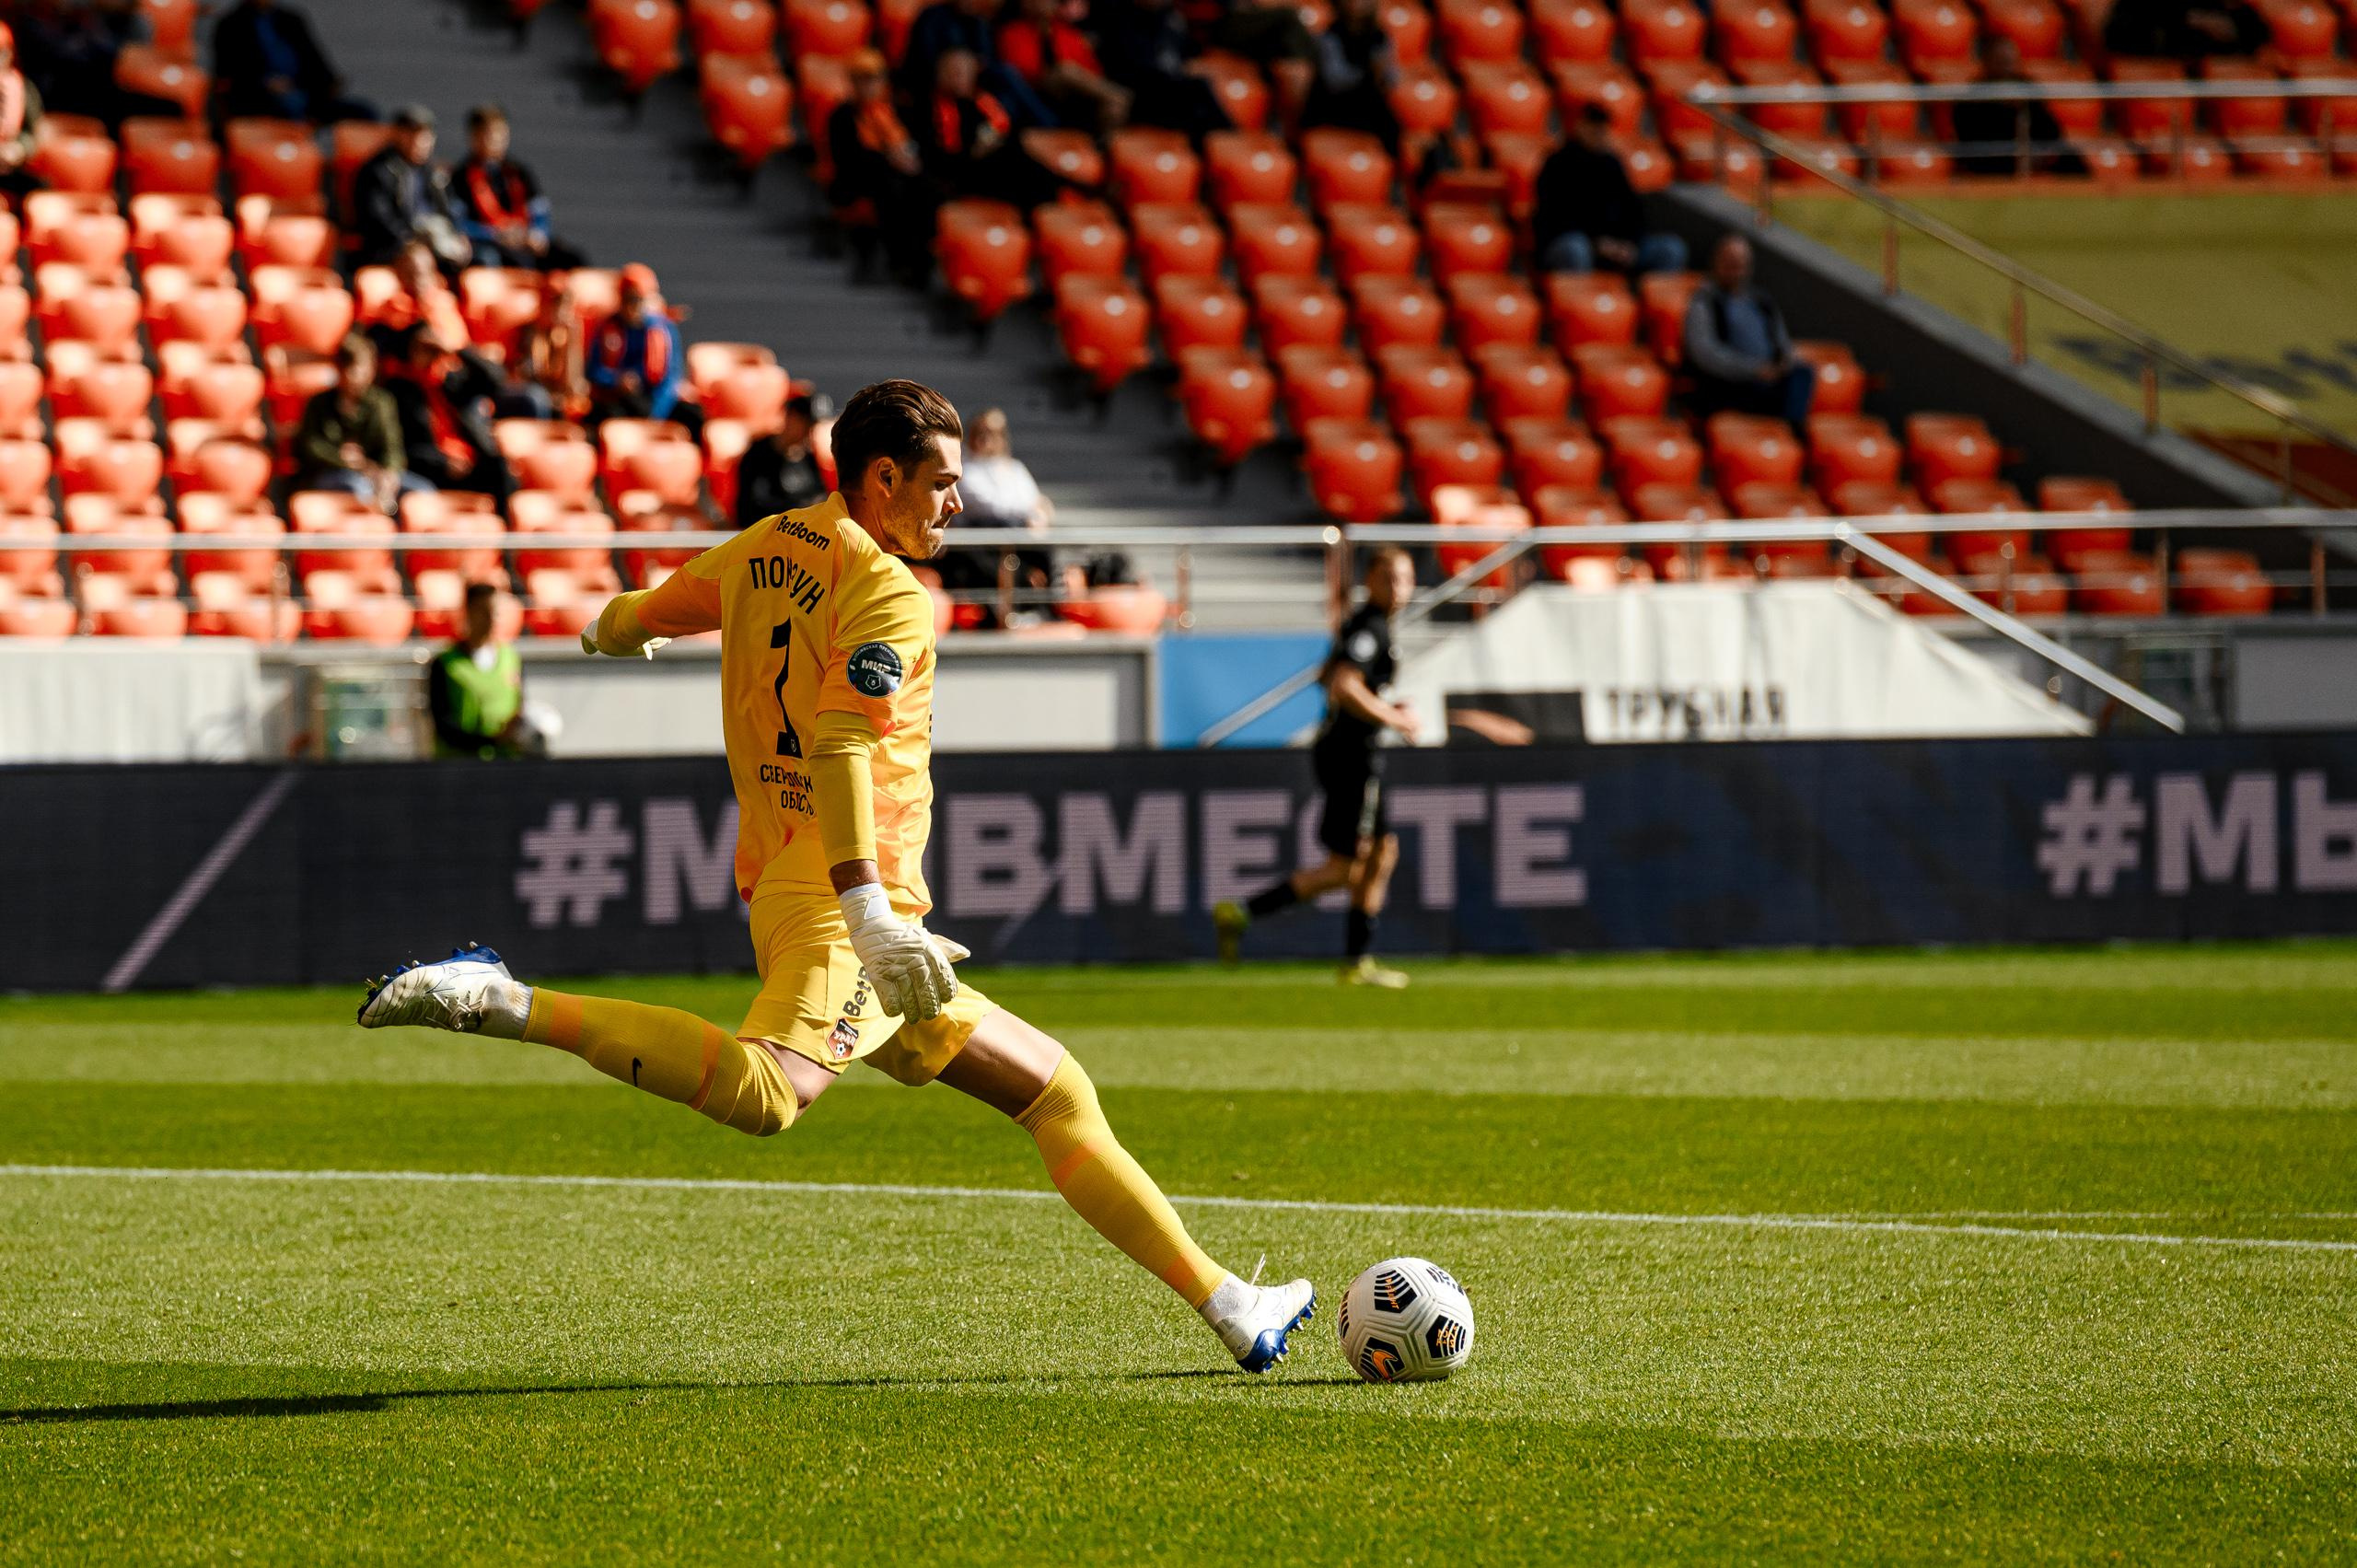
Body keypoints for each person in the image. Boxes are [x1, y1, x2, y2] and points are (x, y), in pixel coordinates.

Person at [357, 378, 1318, 1376]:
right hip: (847, 906)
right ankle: (503, 999)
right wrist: (869, 912)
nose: (958, 503)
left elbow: (645, 609)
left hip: (788, 885)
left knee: (1055, 1090)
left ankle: (1228, 1301)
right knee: (769, 1091)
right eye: (941, 483)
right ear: (884, 476)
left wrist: (612, 629)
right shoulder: (888, 591)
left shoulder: (765, 544)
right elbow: (841, 743)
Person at [1213, 547, 1419, 989]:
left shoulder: (1371, 627)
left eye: (1404, 579)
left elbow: (1331, 676)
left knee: (1379, 854)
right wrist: (1394, 717)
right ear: (1370, 581)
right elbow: (1344, 685)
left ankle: (1352, 957)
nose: (1398, 588)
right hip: (1351, 756)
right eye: (1389, 578)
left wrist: (1381, 706)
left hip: (1352, 752)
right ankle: (1256, 917)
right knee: (1355, 863)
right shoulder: (1371, 627)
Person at [1533, 103, 1689, 275]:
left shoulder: (1612, 164)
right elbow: (1555, 216)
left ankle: (1654, 300)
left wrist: (1629, 243)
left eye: (1602, 129)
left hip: (1617, 245)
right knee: (1575, 248)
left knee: (1670, 248)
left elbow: (1633, 210)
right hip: (1575, 243)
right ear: (1579, 126)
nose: (1598, 134)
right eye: (1593, 127)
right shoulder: (1558, 163)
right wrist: (1597, 243)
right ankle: (1583, 300)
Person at [1682, 233, 1814, 430]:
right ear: (1716, 263)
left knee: (1802, 372)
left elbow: (1782, 340)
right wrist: (1753, 370)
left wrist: (1784, 361)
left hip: (1769, 379)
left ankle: (1787, 434)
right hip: (1729, 384)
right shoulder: (1705, 302)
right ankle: (1783, 433)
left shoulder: (1762, 301)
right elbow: (1706, 354)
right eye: (1730, 263)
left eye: (1740, 264)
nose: (1736, 270)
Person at [827, 49, 933, 284]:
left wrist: (908, 160)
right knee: (889, 187)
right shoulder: (842, 115)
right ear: (853, 82)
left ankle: (919, 262)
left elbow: (915, 143)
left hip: (900, 173)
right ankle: (897, 258)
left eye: (874, 79)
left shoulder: (898, 110)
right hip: (858, 178)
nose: (870, 85)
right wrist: (889, 159)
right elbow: (846, 158)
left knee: (923, 187)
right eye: (863, 79)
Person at [296, 333, 432, 509]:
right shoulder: (319, 403)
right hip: (333, 474)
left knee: (422, 492)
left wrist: (390, 473)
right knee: (359, 489)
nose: (355, 377)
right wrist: (344, 460)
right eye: (350, 370)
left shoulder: (381, 403)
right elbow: (311, 446)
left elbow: (392, 447)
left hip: (375, 473)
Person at [921, 48, 1067, 211]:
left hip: (1005, 159)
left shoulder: (985, 99)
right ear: (940, 75)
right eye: (952, 72)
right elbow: (940, 155)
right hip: (968, 172)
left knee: (1038, 172)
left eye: (963, 72)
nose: (958, 78)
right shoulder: (928, 109)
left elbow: (1007, 128)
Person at [452, 103, 586, 271]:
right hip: (489, 243)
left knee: (572, 259)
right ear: (473, 137)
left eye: (500, 134)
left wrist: (537, 234)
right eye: (488, 134)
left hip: (524, 238)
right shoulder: (460, 176)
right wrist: (495, 235)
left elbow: (539, 209)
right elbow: (458, 222)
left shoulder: (518, 171)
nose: (495, 140)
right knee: (488, 261)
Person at [385, 332, 514, 503]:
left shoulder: (454, 382)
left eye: (434, 351)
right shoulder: (399, 392)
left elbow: (496, 379)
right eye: (422, 350)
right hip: (435, 468)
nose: (430, 358)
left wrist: (457, 349)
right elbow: (404, 448)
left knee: (500, 469)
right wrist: (443, 463)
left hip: (471, 464)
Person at [900, 0, 1057, 129]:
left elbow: (987, 59)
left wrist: (969, 66)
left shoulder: (978, 21)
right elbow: (923, 58)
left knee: (1007, 88)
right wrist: (953, 65)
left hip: (973, 83)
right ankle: (1048, 123)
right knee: (1005, 74)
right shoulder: (932, 16)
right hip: (934, 83)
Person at [212, 0, 374, 123]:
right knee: (291, 103)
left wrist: (329, 81)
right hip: (258, 98)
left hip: (304, 91)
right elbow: (228, 74)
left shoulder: (291, 20)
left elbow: (315, 60)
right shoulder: (230, 25)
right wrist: (265, 83)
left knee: (363, 111)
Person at [351, 104, 466, 273]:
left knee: (477, 258)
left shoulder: (433, 171)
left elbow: (449, 209)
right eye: (414, 135)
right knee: (420, 264)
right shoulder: (378, 170)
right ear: (398, 135)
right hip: (392, 245)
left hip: (433, 241)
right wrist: (409, 243)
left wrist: (458, 236)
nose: (421, 143)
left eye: (426, 136)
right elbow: (378, 220)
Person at [1952, 37, 2085, 177]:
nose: (2007, 68)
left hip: (2031, 153)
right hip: (1992, 157)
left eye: (2011, 63)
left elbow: (2051, 130)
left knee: (2070, 157)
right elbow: (1969, 139)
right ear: (1987, 63)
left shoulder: (2027, 88)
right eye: (2001, 62)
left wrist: (2040, 152)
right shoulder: (1973, 97)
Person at [1095, 0, 1229, 137]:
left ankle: (1226, 138)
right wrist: (1177, 74)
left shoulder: (1169, 18)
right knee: (1197, 90)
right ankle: (1228, 135)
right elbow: (1134, 71)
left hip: (1172, 91)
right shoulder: (1119, 20)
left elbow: (1189, 53)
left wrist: (1190, 65)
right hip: (1140, 95)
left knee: (1198, 96)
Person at [586, 263, 694, 432]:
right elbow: (594, 370)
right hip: (618, 399)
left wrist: (655, 414)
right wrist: (616, 381)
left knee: (693, 415)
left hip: (653, 399)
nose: (633, 306)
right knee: (604, 417)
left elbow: (671, 378)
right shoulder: (608, 328)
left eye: (638, 300)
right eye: (628, 299)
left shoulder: (663, 330)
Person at [998, 0, 1131, 135]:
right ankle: (1117, 96)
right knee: (1066, 70)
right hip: (1037, 93)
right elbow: (1023, 72)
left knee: (1112, 106)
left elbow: (1093, 71)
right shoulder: (1012, 33)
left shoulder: (1068, 33)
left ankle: (1106, 142)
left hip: (1075, 97)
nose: (1048, 4)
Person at [426, 582, 527, 759]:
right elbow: (443, 723)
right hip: (460, 766)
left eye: (495, 612)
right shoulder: (446, 664)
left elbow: (520, 704)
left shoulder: (511, 658)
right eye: (483, 611)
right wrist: (489, 740)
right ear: (469, 612)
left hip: (505, 762)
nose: (490, 619)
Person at [1303, 0, 1398, 149]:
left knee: (1392, 124)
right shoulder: (1329, 36)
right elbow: (1334, 79)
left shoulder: (1380, 37)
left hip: (1368, 105)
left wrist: (1382, 75)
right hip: (1333, 106)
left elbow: (1392, 78)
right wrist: (1368, 72)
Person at [733, 389, 834, 526]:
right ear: (791, 417)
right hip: (767, 534)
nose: (808, 432)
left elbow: (820, 495)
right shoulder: (759, 454)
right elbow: (753, 503)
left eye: (812, 426)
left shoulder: (809, 458)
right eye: (806, 424)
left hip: (802, 533)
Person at [2101, 0, 2267, 60]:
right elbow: (2115, 38)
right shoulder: (2137, 7)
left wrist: (2231, 31)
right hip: (2158, 78)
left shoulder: (2239, 12)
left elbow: (2258, 38)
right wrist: (2188, 21)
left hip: (2213, 83)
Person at [0, 24, 46, 199]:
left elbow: (32, 134)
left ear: (10, 55)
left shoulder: (22, 88)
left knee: (40, 191)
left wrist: (19, 149)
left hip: (9, 170)